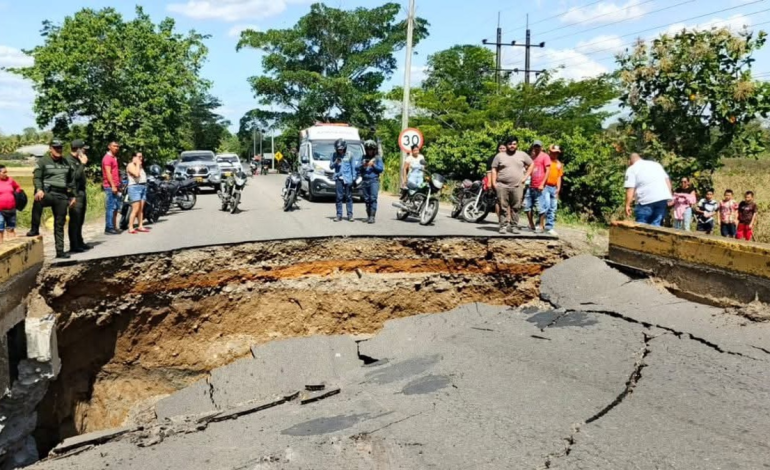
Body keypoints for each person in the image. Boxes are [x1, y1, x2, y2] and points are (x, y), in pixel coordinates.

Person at [26, 139, 77, 259]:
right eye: (56, 148)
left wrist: (72, 196)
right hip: (48, 193)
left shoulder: (66, 162)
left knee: (59, 224)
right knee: (38, 201)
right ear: (50, 149)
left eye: (60, 148)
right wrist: (39, 189)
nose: (58, 150)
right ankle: (34, 229)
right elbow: (37, 177)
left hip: (61, 195)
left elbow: (70, 181)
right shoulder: (43, 161)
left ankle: (60, 251)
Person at [491, 136, 532, 234]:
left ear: (517, 145)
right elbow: (494, 169)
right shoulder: (499, 156)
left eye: (514, 144)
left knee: (516, 207)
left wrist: (525, 177)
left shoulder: (522, 155)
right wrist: (493, 183)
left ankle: (514, 226)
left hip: (517, 186)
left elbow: (531, 164)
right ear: (506, 145)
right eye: (510, 144)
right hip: (502, 185)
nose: (512, 146)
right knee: (503, 207)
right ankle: (503, 226)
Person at [624, 153, 672, 227]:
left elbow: (630, 189)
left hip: (646, 200)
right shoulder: (656, 165)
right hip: (662, 198)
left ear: (629, 161)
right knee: (656, 225)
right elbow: (667, 180)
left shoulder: (632, 169)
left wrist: (627, 205)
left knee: (641, 226)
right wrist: (669, 196)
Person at [66, 139, 91, 252]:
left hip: (81, 191)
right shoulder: (68, 160)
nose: (85, 152)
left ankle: (80, 241)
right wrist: (82, 164)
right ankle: (74, 245)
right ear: (78, 149)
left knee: (80, 219)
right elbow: (74, 177)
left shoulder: (77, 160)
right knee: (75, 219)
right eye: (84, 149)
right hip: (74, 193)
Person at [522, 140, 551, 234]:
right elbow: (529, 168)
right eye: (535, 146)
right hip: (531, 185)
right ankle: (531, 224)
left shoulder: (545, 156)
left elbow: (548, 171)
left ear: (541, 147)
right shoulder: (532, 157)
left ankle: (541, 226)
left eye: (538, 146)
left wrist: (543, 183)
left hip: (540, 186)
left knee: (540, 207)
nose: (536, 148)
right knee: (527, 205)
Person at [329, 139, 357, 222]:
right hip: (338, 179)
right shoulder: (334, 155)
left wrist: (354, 179)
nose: (340, 150)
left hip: (348, 179)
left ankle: (350, 215)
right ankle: (339, 215)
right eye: (338, 149)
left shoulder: (350, 155)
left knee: (348, 197)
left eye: (341, 149)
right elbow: (331, 166)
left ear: (344, 148)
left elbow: (353, 168)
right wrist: (335, 162)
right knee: (339, 198)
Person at [360, 140, 384, 224]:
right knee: (366, 199)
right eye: (368, 149)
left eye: (371, 149)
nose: (369, 151)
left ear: (374, 150)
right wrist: (363, 165)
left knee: (373, 199)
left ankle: (372, 217)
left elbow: (381, 169)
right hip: (365, 181)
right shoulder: (363, 157)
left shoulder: (377, 158)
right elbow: (357, 168)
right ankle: (368, 216)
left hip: (374, 181)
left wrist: (373, 165)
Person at [126, 152, 149, 234]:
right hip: (135, 187)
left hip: (142, 186)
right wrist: (138, 164)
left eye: (141, 157)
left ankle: (140, 225)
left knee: (141, 209)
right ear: (134, 157)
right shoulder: (131, 165)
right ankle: (130, 227)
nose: (141, 158)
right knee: (135, 209)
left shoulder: (140, 166)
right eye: (139, 157)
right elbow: (136, 174)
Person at [102, 141, 122, 235]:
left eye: (117, 146)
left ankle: (114, 226)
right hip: (110, 186)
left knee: (115, 207)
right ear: (109, 146)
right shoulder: (107, 158)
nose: (116, 148)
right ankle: (109, 228)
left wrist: (119, 185)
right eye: (114, 146)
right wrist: (113, 185)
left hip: (116, 186)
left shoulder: (114, 158)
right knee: (110, 207)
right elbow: (108, 173)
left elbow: (116, 173)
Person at [543, 144, 564, 236]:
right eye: (553, 152)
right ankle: (539, 224)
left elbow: (559, 177)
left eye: (557, 153)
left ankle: (549, 227)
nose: (555, 154)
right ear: (550, 152)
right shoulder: (546, 161)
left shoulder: (559, 164)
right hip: (545, 186)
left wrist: (558, 188)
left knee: (553, 208)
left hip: (554, 187)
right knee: (546, 205)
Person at [0, 165, 22, 244]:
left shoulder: (10, 180)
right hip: (0, 211)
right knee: (0, 229)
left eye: (6, 172)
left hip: (11, 210)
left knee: (11, 228)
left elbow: (17, 187)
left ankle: (13, 248)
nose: (6, 174)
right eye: (4, 172)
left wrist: (18, 192)